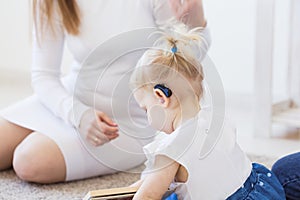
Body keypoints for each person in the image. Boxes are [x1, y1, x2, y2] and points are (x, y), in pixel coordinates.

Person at [0, 0, 208, 183]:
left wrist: (196, 24)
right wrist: (78, 114)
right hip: (72, 100)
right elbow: (43, 76)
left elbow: (182, 65)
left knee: (29, 160)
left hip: (132, 120)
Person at [128, 27, 286, 199]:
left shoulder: (171, 150)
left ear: (161, 98)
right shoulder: (215, 119)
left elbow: (148, 196)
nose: (147, 117)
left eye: (145, 109)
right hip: (261, 191)